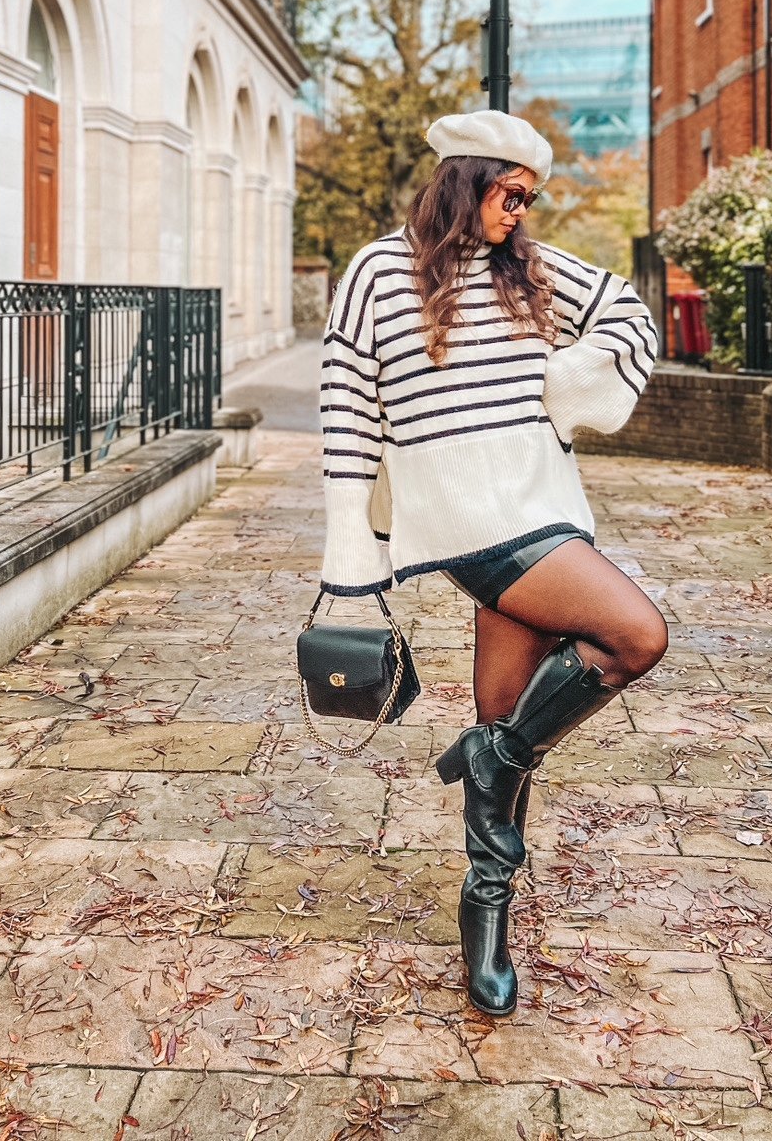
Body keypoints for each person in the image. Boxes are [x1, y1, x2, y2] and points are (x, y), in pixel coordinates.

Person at [318, 110, 667, 1017]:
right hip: (467, 519)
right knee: (636, 634)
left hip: (542, 501)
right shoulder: (375, 273)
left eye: (530, 198)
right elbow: (349, 424)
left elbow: (631, 315)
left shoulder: (531, 271)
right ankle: (488, 759)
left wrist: (567, 384)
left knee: (508, 720)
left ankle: (486, 911)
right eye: (510, 193)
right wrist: (351, 563)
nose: (521, 212)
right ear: (463, 178)